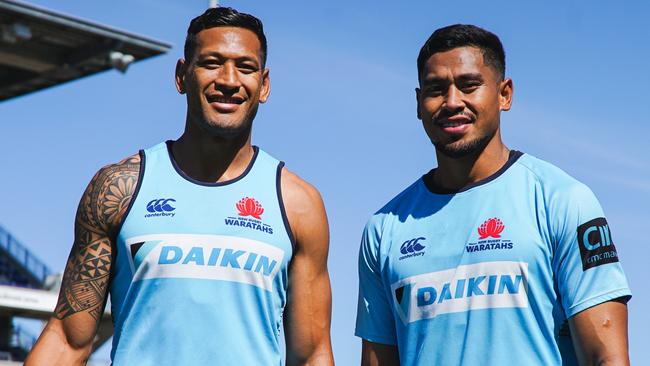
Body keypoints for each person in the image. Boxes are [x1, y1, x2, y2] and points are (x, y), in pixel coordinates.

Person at [26, 7, 334, 366]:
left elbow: (312, 354)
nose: (230, 80)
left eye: (245, 67)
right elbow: (67, 340)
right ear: (181, 75)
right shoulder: (119, 189)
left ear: (263, 85)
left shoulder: (298, 203)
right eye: (212, 63)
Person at [355, 24, 631, 366]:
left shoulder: (563, 200)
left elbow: (607, 357)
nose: (452, 102)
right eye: (436, 89)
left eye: (469, 85)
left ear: (505, 94)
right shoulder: (384, 228)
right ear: (418, 102)